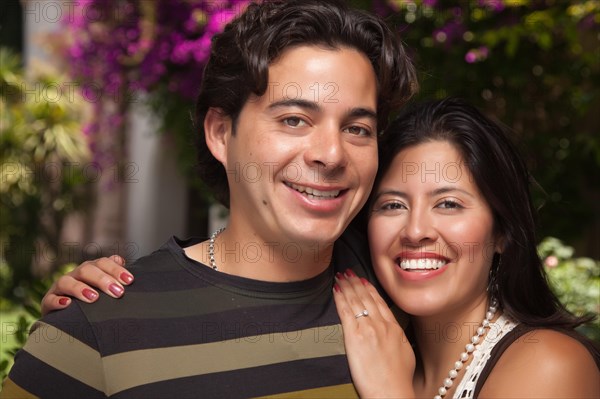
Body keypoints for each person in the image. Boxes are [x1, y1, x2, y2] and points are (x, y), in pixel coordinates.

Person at [1, 0, 417, 397]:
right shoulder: (95, 330)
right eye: (294, 120)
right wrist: (81, 328)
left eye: (357, 129)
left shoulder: (411, 291)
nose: (331, 153)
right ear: (220, 132)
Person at [333, 98, 600, 398]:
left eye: (448, 204)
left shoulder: (551, 365)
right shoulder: (367, 356)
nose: (415, 231)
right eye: (393, 205)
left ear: (501, 232)